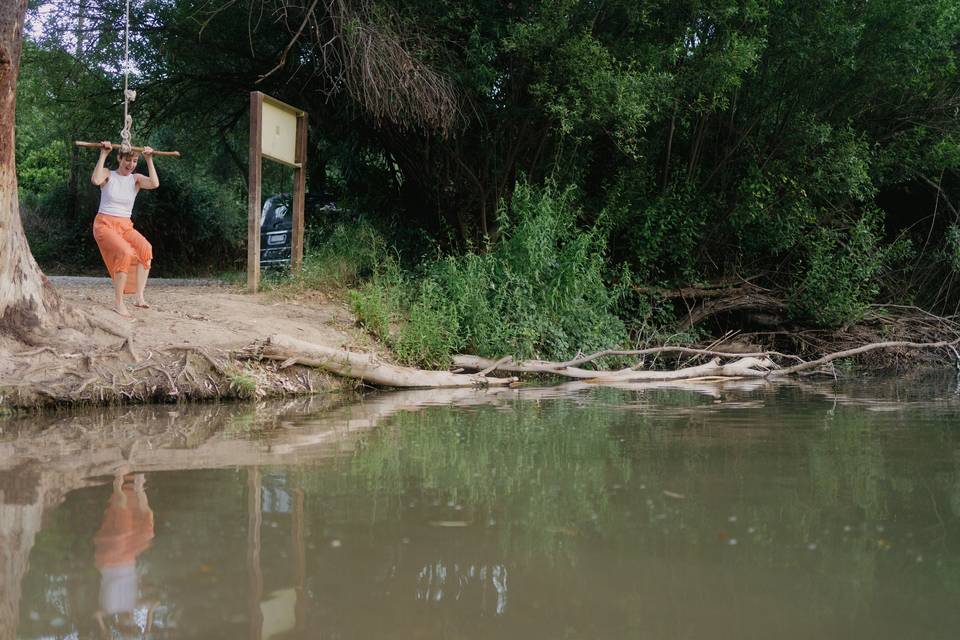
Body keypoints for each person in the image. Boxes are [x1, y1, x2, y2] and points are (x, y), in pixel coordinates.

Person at [91, 141, 160, 317]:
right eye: (127, 160)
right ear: (119, 158)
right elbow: (95, 179)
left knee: (146, 248)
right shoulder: (108, 174)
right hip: (104, 224)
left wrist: (149, 159)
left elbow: (154, 183)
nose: (131, 165)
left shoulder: (135, 179)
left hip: (125, 225)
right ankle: (119, 302)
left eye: (135, 161)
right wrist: (103, 154)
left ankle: (139, 297)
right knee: (126, 253)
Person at [93, 471, 157, 637]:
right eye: (133, 624)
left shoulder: (110, 608)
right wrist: (147, 628)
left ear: (120, 622)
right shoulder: (133, 604)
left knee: (123, 530)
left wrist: (105, 629)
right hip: (129, 556)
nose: (130, 620)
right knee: (147, 533)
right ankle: (139, 488)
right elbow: (154, 603)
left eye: (126, 625)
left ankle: (118, 482)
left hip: (110, 560)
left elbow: (97, 615)